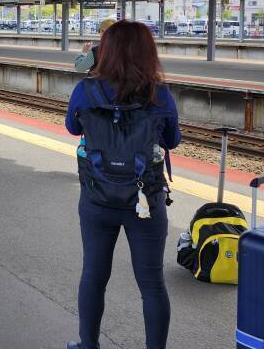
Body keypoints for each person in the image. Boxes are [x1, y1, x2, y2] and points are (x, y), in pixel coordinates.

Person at [64, 20, 181, 349]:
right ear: (149, 54)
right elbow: (173, 138)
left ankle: (88, 345)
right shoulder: (160, 95)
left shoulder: (85, 90)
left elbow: (73, 128)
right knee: (152, 283)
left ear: (105, 51)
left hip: (97, 199)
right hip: (145, 201)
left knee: (94, 276)